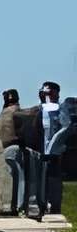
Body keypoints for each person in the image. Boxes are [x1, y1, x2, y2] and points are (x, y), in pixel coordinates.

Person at [0, 89, 41, 218]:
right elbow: (27, 114)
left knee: (13, 179)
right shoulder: (16, 111)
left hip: (4, 149)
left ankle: (12, 206)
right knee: (22, 179)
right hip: (15, 148)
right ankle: (21, 206)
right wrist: (39, 107)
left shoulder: (2, 113)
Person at [44, 83, 72, 223]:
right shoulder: (42, 108)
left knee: (54, 177)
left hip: (54, 151)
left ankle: (55, 207)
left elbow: (66, 127)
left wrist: (53, 147)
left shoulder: (61, 108)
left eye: (49, 91)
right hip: (42, 150)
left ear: (56, 92)